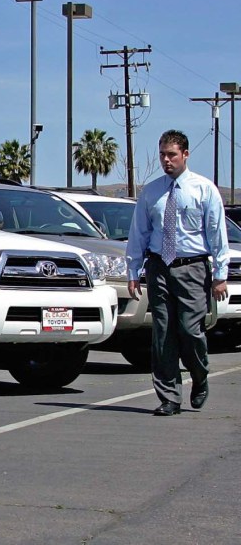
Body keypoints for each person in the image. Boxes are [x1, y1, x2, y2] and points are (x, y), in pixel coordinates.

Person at [126, 129, 230, 416]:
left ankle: (199, 375)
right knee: (163, 333)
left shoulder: (204, 189)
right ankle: (169, 396)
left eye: (171, 154)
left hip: (193, 268)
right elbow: (139, 232)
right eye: (162, 154)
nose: (166, 160)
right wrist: (133, 270)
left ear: (185, 154)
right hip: (159, 266)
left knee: (190, 329)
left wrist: (220, 275)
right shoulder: (152, 192)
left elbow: (216, 233)